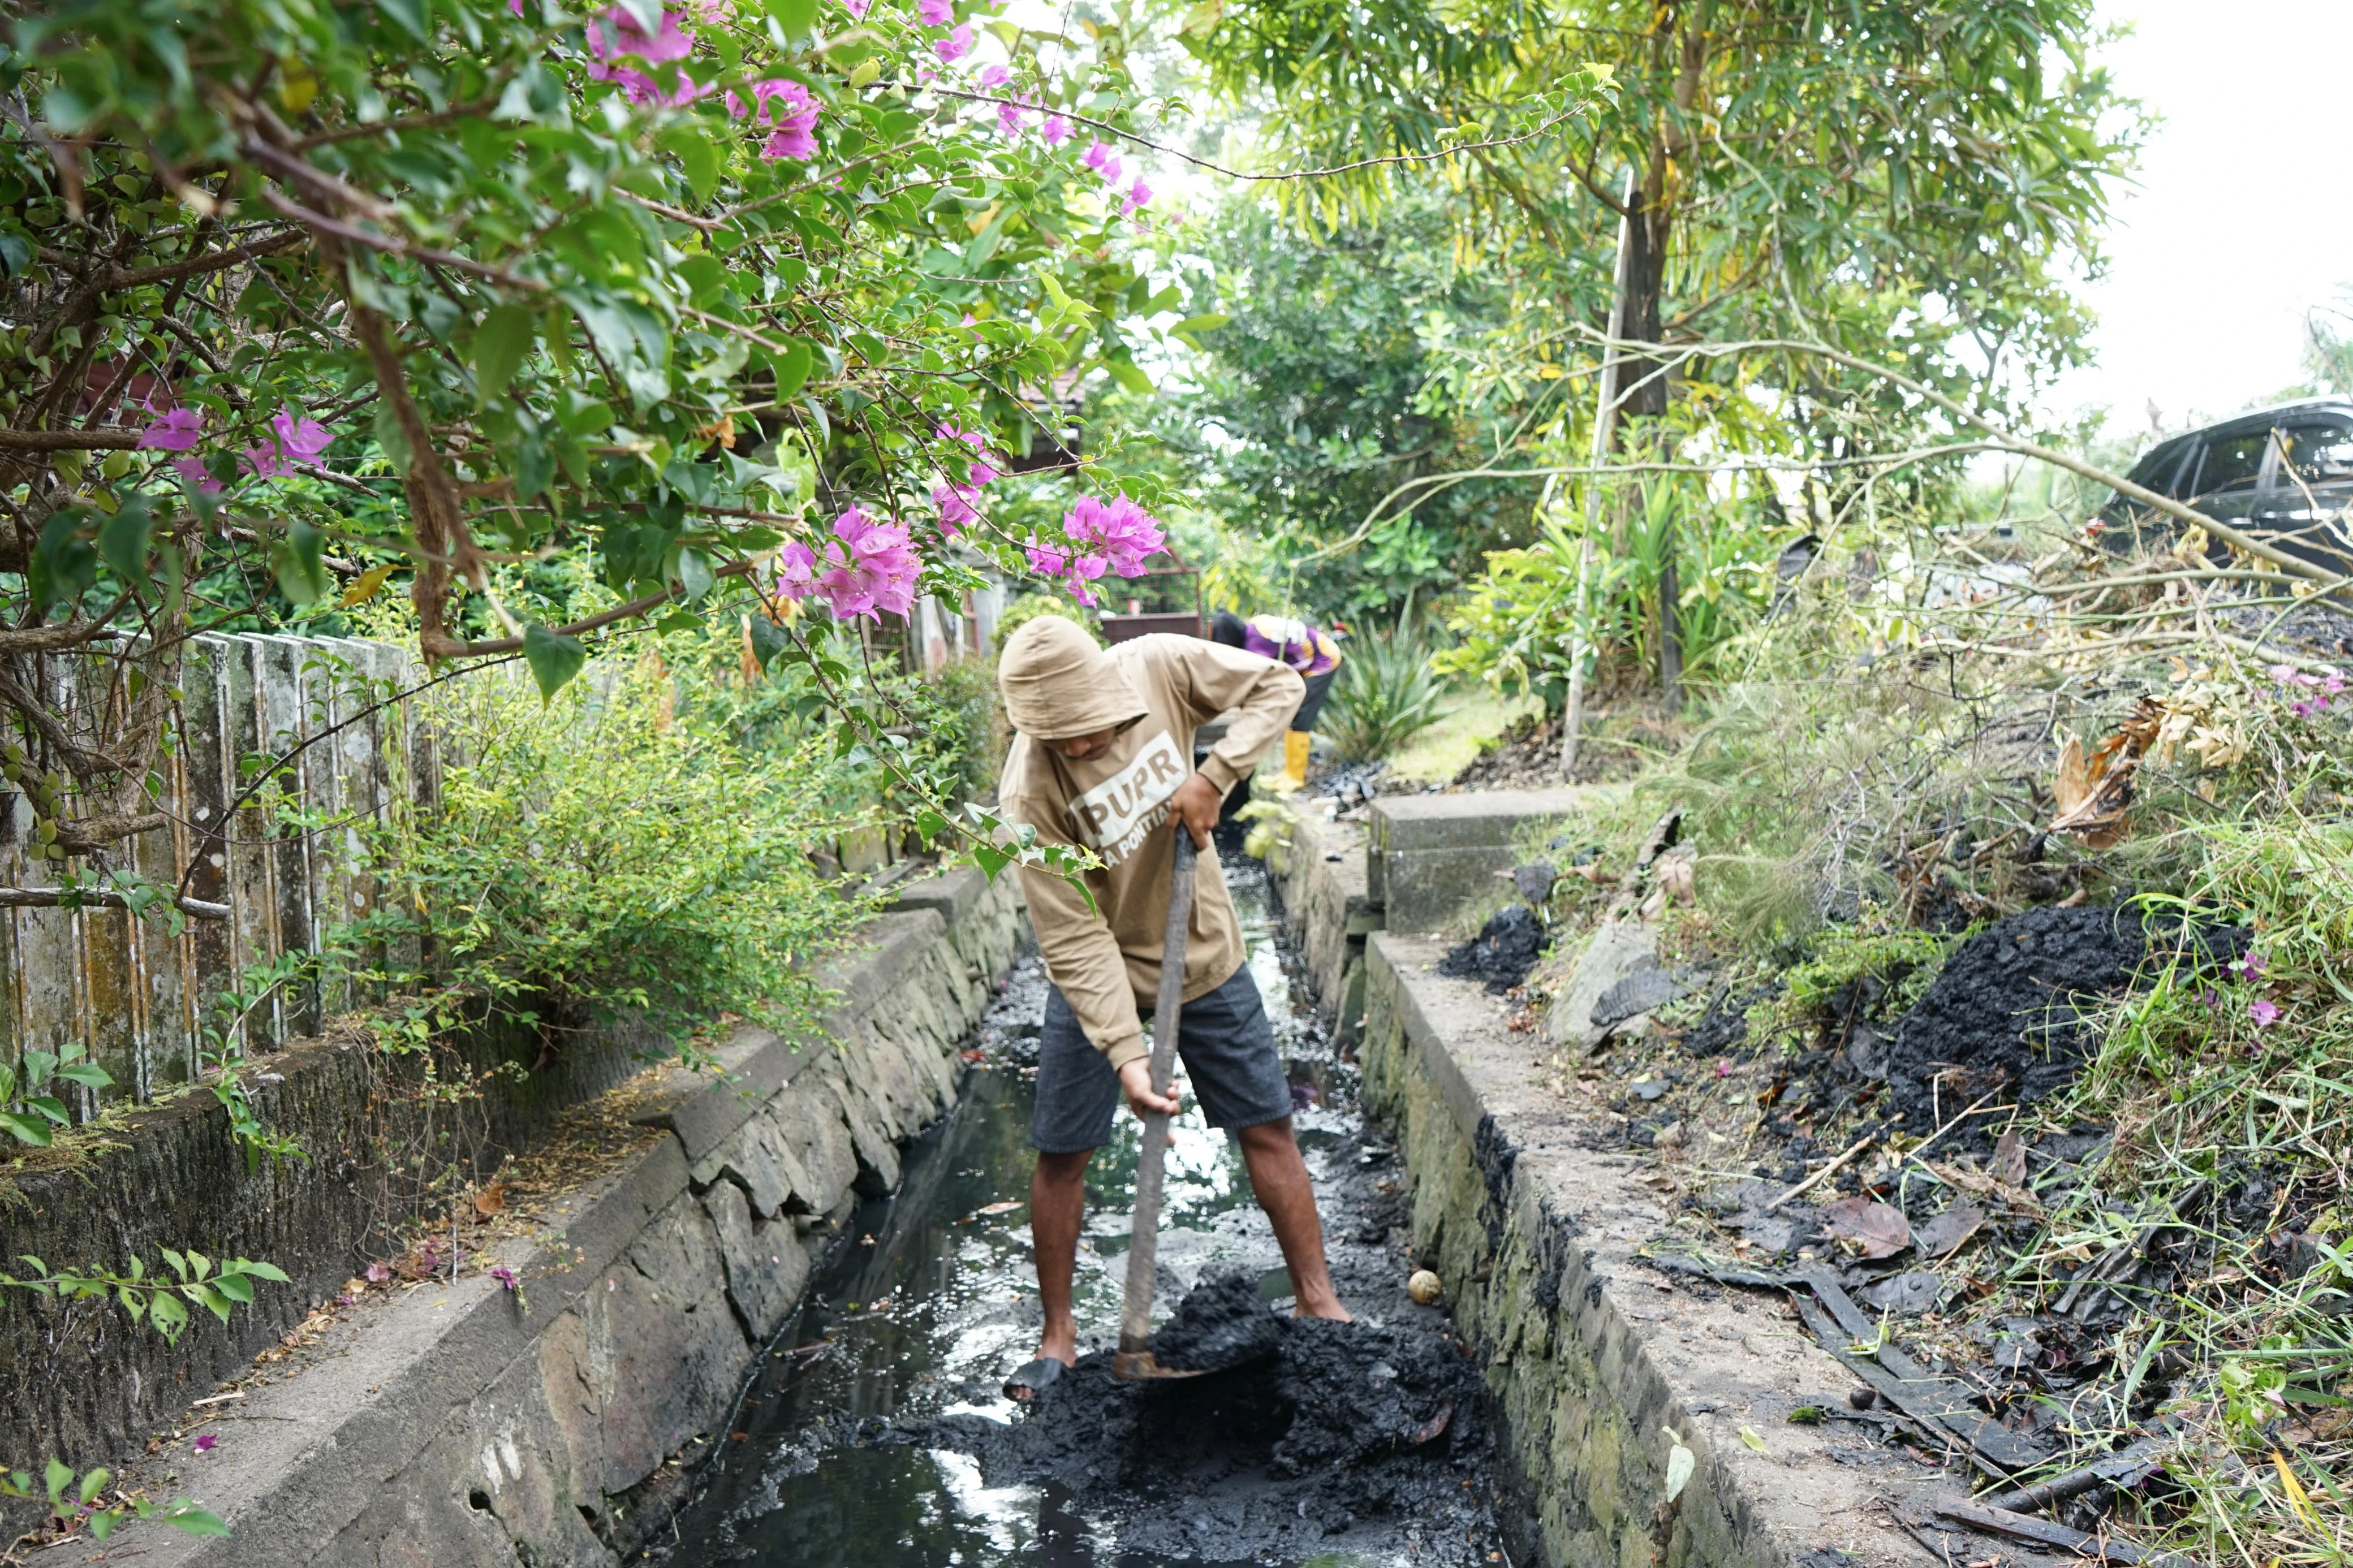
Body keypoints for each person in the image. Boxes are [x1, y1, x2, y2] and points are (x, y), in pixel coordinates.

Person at [994, 614, 1351, 1400]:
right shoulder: (1027, 794)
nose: (1082, 748)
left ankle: (1319, 1301)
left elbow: (1278, 685)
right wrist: (1124, 1049)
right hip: (1100, 976)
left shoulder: (1157, 667)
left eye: (1089, 730)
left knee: (1266, 1122)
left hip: (1205, 954)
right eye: (1063, 740)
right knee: (1062, 1149)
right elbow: (1073, 937)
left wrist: (1214, 773)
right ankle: (1058, 1335)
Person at [1208, 610, 1343, 792]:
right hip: (1309, 660)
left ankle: (1295, 777)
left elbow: (1258, 681)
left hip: (1323, 658)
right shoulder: (1255, 627)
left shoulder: (1255, 645)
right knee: (1293, 717)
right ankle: (1287, 773)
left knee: (1301, 717)